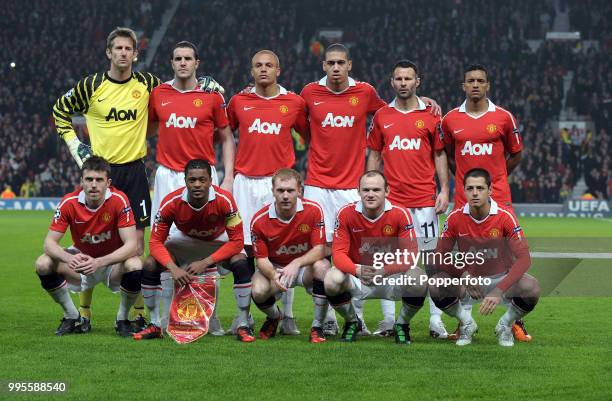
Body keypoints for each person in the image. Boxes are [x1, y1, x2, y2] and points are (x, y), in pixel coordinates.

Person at [53, 28, 222, 330]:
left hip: (134, 171)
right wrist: (75, 145)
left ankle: (137, 313)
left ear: (135, 54)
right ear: (108, 52)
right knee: (93, 240)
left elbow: (178, 90)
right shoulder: (91, 85)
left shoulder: (148, 84)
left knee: (138, 247)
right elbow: (60, 111)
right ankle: (85, 312)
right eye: (117, 48)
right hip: (101, 173)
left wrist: (207, 81)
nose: (122, 53)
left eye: (127, 49)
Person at [300, 44, 440, 335]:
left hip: (352, 185)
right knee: (322, 256)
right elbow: (299, 124)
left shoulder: (364, 93)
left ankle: (366, 318)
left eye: (341, 62)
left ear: (349, 65)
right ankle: (325, 319)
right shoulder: (309, 93)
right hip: (315, 183)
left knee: (362, 252)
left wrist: (422, 100)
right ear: (324, 65)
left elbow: (395, 109)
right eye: (330, 63)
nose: (336, 67)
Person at [147, 41, 235, 335]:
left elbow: (225, 137)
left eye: (188, 58)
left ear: (197, 62)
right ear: (171, 63)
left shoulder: (211, 97)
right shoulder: (158, 94)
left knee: (208, 244)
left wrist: (229, 176)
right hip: (168, 176)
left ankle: (210, 315)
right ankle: (164, 318)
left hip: (203, 178)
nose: (183, 63)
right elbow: (145, 131)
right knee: (167, 248)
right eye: (177, 58)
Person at [440, 64, 530, 341]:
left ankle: (516, 320)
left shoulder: (503, 117)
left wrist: (498, 180)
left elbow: (516, 154)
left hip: (499, 198)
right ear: (463, 86)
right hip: (463, 200)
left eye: (480, 81)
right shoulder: (450, 119)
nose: (475, 84)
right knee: (464, 259)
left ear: (487, 85)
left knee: (511, 257)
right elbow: (447, 155)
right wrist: (465, 185)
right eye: (470, 81)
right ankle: (463, 319)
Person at [226, 50, 309, 335]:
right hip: (245, 184)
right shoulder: (238, 101)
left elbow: (309, 135)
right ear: (251, 71)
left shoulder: (294, 102)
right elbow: (223, 134)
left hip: (278, 185)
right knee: (243, 251)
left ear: (278, 70)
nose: (263, 69)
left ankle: (288, 316)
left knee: (284, 250)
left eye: (269, 65)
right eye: (258, 65)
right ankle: (243, 316)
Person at [366, 60, 450, 339]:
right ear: (392, 82)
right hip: (392, 204)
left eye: (408, 78)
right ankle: (390, 321)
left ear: (418, 82)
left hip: (424, 201)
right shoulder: (382, 115)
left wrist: (444, 190)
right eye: (399, 78)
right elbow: (375, 154)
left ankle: (436, 321)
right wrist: (370, 190)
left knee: (431, 262)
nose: (403, 83)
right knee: (388, 260)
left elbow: (439, 153)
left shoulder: (431, 115)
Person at [134, 159, 255, 342]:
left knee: (240, 261)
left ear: (210, 181)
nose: (197, 184)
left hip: (217, 242)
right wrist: (173, 268)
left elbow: (237, 241)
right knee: (150, 263)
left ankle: (243, 324)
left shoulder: (225, 200)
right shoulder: (171, 202)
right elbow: (155, 242)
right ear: (185, 181)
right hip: (185, 242)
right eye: (192, 180)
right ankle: (155, 324)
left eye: (202, 180)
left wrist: (206, 262)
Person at [429, 168, 540, 346]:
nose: (475, 193)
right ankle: (467, 323)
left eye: (480, 188)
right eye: (470, 188)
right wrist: (463, 274)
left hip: (500, 280)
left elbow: (524, 258)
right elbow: (439, 257)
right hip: (469, 283)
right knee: (436, 284)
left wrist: (499, 290)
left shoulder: (505, 217)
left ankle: (505, 325)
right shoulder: (455, 218)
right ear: (463, 191)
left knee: (531, 287)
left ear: (490, 190)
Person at [34, 156, 142, 336]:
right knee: (43, 263)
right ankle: (71, 316)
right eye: (89, 179)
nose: (93, 185)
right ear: (81, 181)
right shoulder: (69, 202)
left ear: (108, 182)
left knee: (135, 265)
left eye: (99, 180)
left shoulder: (119, 200)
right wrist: (70, 257)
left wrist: (99, 262)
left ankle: (122, 319)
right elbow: (49, 243)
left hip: (111, 263)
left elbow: (132, 245)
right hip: (80, 263)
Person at [325, 171, 427, 343]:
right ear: (358, 191)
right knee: (331, 279)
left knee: (419, 278)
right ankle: (352, 322)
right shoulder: (345, 213)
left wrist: (384, 270)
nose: (370, 194)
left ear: (387, 191)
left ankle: (401, 324)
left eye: (376, 190)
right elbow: (338, 254)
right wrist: (357, 270)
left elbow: (410, 256)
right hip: (359, 274)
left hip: (389, 275)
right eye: (366, 190)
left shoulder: (400, 213)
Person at [250, 168, 330, 343]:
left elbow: (320, 249)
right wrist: (273, 275)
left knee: (323, 267)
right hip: (275, 269)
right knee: (257, 290)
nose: (285, 196)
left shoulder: (314, 210)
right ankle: (274, 316)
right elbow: (261, 260)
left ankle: (317, 326)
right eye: (280, 191)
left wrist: (297, 262)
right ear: (273, 191)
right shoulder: (259, 220)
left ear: (299, 191)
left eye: (290, 191)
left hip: (303, 269)